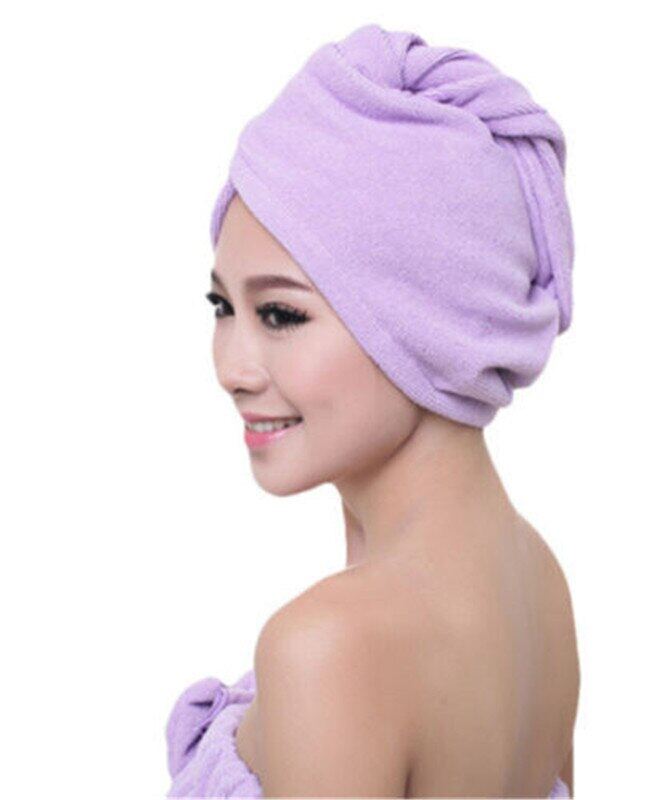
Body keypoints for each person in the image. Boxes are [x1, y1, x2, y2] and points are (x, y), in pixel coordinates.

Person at [165, 23, 580, 799]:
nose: (230, 369)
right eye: (223, 306)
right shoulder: (537, 582)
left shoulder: (330, 650)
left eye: (281, 314)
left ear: (430, 325)